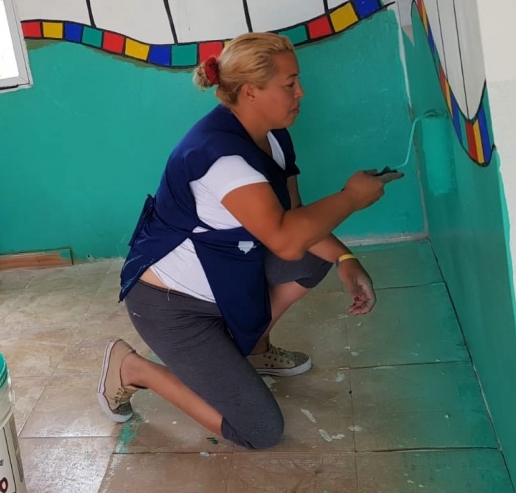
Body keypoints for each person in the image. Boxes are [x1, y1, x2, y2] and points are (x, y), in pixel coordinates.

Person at [97, 32, 403, 449]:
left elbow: (297, 220)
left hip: (225, 275)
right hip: (171, 307)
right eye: (289, 83)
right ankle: (133, 368)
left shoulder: (273, 134)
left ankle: (253, 347)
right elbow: (285, 240)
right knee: (260, 430)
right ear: (250, 92)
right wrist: (351, 198)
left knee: (314, 255)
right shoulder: (222, 161)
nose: (302, 92)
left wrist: (345, 257)